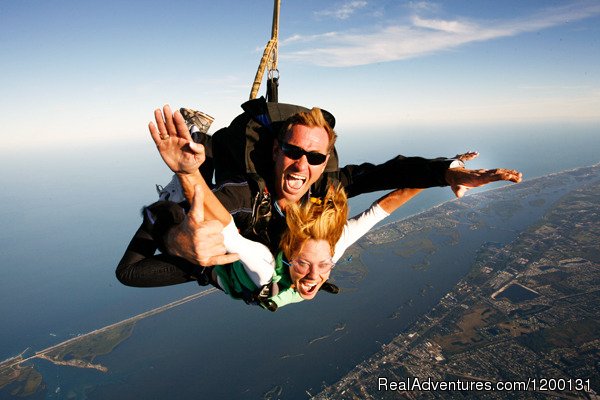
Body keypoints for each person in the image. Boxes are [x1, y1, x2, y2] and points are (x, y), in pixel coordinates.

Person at [128, 104, 521, 269]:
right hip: (227, 172)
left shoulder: (325, 188)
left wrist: (447, 171)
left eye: (315, 158)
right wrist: (178, 237)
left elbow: (389, 173)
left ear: (326, 161)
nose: (303, 165)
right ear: (277, 151)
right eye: (293, 152)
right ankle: (201, 136)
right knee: (208, 166)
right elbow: (131, 270)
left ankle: (203, 148)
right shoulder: (242, 198)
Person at [118, 108, 426, 310]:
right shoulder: (264, 267)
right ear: (289, 257)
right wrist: (187, 175)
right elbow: (224, 225)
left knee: (204, 199)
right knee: (130, 272)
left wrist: (444, 172)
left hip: (230, 253)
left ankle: (202, 142)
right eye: (311, 266)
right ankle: (168, 201)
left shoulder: (331, 249)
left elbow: (384, 207)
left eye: (319, 266)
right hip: (213, 263)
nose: (314, 276)